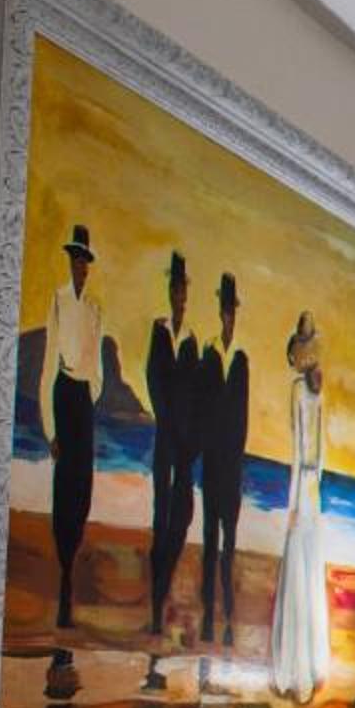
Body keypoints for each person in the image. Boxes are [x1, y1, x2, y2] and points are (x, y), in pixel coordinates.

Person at [269, 312, 332, 701]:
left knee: (297, 572)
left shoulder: (298, 390)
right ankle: (309, 669)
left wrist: (293, 503)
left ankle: (293, 672)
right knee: (310, 573)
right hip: (314, 492)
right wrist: (311, 494)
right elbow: (320, 458)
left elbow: (298, 451)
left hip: (302, 490)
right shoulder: (319, 392)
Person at [43, 225, 102, 628]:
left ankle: (71, 560)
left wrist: (90, 392)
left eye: (84, 261)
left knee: (83, 486)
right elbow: (49, 362)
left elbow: (96, 364)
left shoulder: (94, 309)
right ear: (70, 262)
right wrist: (51, 429)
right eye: (75, 259)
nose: (80, 266)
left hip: (83, 397)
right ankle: (63, 575)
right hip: (63, 392)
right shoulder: (60, 300)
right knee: (64, 486)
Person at [143, 251, 200, 637]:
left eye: (183, 290)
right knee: (159, 518)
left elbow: (196, 394)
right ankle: (156, 600)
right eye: (175, 289)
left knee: (181, 516)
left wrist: (189, 438)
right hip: (165, 440)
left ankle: (161, 589)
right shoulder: (160, 332)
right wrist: (168, 422)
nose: (179, 296)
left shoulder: (192, 341)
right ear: (169, 292)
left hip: (184, 446)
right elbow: (153, 379)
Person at [196, 273, 251, 646]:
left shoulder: (241, 359)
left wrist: (235, 461)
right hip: (212, 463)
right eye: (225, 310)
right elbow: (202, 410)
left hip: (231, 467)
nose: (229, 316)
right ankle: (207, 615)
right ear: (220, 312)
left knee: (228, 545)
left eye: (233, 310)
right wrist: (208, 449)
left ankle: (228, 616)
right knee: (208, 539)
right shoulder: (210, 354)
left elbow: (242, 418)